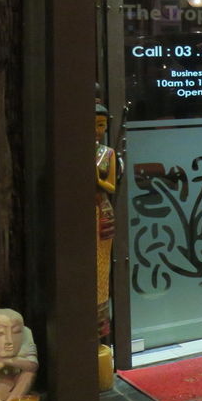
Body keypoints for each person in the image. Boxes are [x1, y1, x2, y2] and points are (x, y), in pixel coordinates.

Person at [95, 103, 116, 341]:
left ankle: (100, 329)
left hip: (102, 210)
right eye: (93, 125)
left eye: (101, 125)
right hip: (82, 213)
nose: (97, 130)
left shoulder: (107, 153)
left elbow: (111, 186)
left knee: (101, 269)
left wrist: (97, 180)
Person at [0, 309, 37, 401]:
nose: (9, 341)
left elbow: (32, 366)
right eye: (0, 333)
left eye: (16, 332)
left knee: (28, 374)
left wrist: (5, 360)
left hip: (13, 392)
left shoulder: (26, 333)